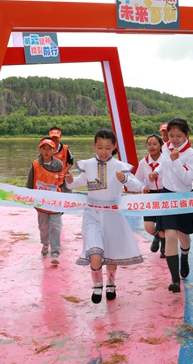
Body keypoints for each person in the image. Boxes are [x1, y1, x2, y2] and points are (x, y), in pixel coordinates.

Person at [64, 128, 143, 304]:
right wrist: (70, 180)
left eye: (108, 148)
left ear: (114, 147)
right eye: (100, 147)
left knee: (112, 254)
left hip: (113, 215)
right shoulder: (88, 165)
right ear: (94, 146)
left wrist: (125, 180)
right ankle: (97, 284)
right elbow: (77, 183)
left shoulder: (120, 166)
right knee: (95, 254)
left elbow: (138, 186)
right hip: (92, 214)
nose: (104, 151)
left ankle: (111, 284)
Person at [152, 118, 193, 293]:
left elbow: (187, 179)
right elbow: (164, 165)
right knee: (170, 235)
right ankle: (175, 280)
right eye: (171, 135)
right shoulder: (166, 147)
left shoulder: (191, 154)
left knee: (183, 236)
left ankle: (184, 257)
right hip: (168, 195)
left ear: (186, 135)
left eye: (179, 136)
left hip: (184, 197)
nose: (174, 139)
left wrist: (177, 161)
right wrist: (156, 171)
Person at [26, 137, 67, 265]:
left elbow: (63, 183)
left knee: (55, 227)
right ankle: (45, 244)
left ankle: (55, 252)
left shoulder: (59, 164)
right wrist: (28, 196)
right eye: (44, 148)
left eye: (49, 149)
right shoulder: (35, 164)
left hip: (55, 203)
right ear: (40, 150)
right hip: (41, 203)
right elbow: (30, 182)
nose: (46, 151)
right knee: (43, 227)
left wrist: (66, 199)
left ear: (54, 150)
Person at [130, 133, 167, 258]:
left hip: (164, 194)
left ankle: (164, 246)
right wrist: (142, 187)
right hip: (150, 195)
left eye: (155, 144)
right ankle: (157, 237)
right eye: (149, 144)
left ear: (161, 145)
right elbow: (138, 179)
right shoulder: (144, 162)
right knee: (149, 227)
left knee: (164, 225)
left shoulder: (166, 161)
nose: (152, 147)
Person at [49, 127, 73, 192]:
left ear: (60, 137)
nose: (54, 139)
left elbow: (70, 163)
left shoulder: (65, 149)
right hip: (50, 176)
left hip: (63, 176)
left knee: (67, 192)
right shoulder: (46, 149)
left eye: (56, 137)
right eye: (53, 137)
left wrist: (62, 173)